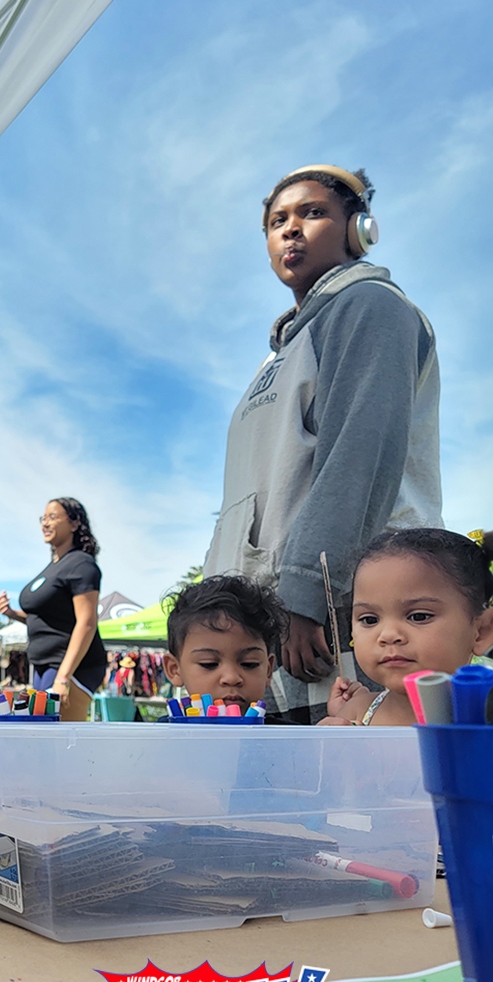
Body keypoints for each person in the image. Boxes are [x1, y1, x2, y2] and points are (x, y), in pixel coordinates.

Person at [203, 165, 442, 724]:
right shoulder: (285, 347)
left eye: (313, 213)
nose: (291, 229)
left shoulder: (372, 307)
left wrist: (308, 593)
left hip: (333, 614)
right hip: (275, 613)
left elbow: (358, 455)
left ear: (359, 229)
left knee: (346, 800)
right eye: (276, 221)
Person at [320, 529, 493, 726]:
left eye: (418, 616)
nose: (388, 635)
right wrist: (328, 743)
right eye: (369, 620)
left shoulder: (485, 718)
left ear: (482, 631)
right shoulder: (356, 713)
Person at [0, 498, 106, 721]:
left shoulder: (81, 565)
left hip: (71, 667)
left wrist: (63, 678)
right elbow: (48, 619)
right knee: (44, 740)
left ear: (75, 524)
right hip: (44, 665)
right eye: (43, 518)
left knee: (60, 743)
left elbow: (86, 623)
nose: (45, 524)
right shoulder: (55, 566)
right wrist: (12, 614)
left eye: (53, 517)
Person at [161, 575, 290, 716]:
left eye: (249, 663)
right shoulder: (164, 737)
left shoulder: (284, 737)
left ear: (268, 670)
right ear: (174, 669)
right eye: (209, 663)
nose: (231, 678)